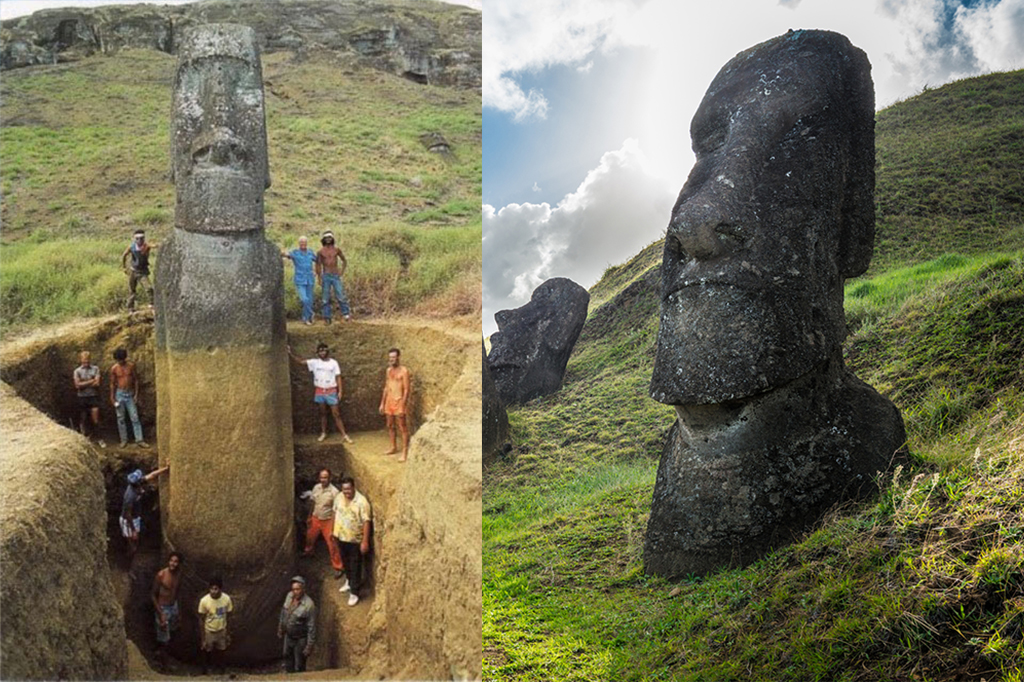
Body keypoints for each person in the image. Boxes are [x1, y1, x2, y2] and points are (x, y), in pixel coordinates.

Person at [288, 342, 353, 443]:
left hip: (331, 390)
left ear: (327, 351)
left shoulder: (333, 363)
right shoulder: (315, 362)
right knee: (322, 413)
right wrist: (290, 353)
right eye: (320, 351)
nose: (322, 353)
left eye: (324, 350)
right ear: (317, 353)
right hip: (319, 391)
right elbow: (301, 362)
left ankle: (344, 435)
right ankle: (323, 433)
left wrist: (340, 391)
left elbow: (338, 377)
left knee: (336, 414)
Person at [332, 477, 372, 606]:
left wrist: (365, 541)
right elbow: (334, 512)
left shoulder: (361, 502)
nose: (346, 492)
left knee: (355, 565)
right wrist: (333, 531)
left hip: (355, 540)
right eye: (344, 489)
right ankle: (349, 581)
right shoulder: (339, 497)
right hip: (341, 537)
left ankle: (354, 593)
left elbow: (366, 522)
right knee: (345, 562)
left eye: (348, 489)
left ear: (354, 487)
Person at [300, 468, 345, 578]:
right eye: (321, 477)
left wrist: (335, 525)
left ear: (330, 478)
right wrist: (309, 516)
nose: (323, 479)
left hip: (328, 520)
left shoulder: (334, 492)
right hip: (316, 518)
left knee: (332, 544)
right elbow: (313, 503)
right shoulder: (316, 487)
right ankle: (309, 552)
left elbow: (337, 510)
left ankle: (338, 566)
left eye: (325, 477)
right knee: (310, 537)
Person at [121, 465, 169, 561]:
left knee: (136, 540)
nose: (142, 479)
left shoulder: (138, 483)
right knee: (132, 543)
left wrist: (166, 469)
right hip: (128, 521)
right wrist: (133, 530)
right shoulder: (129, 497)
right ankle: (128, 562)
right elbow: (127, 514)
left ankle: (132, 554)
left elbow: (152, 475)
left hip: (136, 516)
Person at [109, 347, 149, 448]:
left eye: (122, 360)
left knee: (135, 417)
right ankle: (123, 440)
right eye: (119, 360)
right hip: (120, 394)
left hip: (129, 394)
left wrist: (136, 394)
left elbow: (136, 380)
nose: (120, 362)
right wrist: (112, 398)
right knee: (120, 418)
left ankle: (139, 440)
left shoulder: (131, 366)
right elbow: (113, 384)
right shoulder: (114, 368)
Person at [278, 575, 316, 673]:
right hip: (289, 635)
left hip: (301, 638)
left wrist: (309, 646)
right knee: (287, 657)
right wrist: (280, 627)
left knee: (300, 663)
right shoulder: (289, 596)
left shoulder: (309, 605)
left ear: (303, 588)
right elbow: (284, 612)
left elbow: (311, 626)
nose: (295, 592)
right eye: (293, 589)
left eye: (298, 589)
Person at [379, 347, 411, 462]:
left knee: (402, 427)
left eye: (393, 357)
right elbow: (386, 387)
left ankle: (405, 452)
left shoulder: (404, 371)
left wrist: (403, 404)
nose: (392, 359)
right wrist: (382, 403)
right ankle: (393, 447)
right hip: (389, 401)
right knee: (390, 425)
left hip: (399, 401)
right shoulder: (388, 370)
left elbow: (407, 389)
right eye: (390, 357)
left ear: (398, 357)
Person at [151, 552, 183, 665]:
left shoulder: (179, 574)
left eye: (176, 561)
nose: (173, 564)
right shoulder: (161, 575)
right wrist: (161, 613)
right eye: (171, 561)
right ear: (168, 561)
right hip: (163, 608)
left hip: (173, 607)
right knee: (164, 635)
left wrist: (178, 610)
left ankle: (162, 654)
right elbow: (153, 595)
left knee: (172, 632)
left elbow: (177, 592)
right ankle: (164, 663)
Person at [197, 576, 233, 674]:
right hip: (209, 630)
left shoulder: (226, 599)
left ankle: (221, 670)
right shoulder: (204, 601)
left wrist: (228, 634)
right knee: (207, 650)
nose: (213, 591)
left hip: (221, 630)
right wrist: (203, 638)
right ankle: (206, 670)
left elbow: (229, 616)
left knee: (221, 650)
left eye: (216, 589)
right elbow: (201, 619)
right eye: (211, 589)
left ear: (220, 589)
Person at [315, 231, 351, 324]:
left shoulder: (337, 250)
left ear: (332, 239)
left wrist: (341, 271)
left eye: (329, 238)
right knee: (325, 298)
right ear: (323, 239)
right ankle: (327, 317)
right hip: (326, 276)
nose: (328, 239)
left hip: (335, 275)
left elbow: (344, 260)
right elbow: (318, 265)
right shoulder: (320, 252)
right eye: (326, 238)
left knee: (340, 295)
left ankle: (346, 314)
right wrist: (319, 278)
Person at [73, 350, 105, 447]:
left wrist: (84, 383)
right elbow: (77, 386)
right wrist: (91, 381)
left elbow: (97, 383)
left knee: (95, 419)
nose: (86, 363)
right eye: (84, 361)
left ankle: (100, 439)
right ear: (80, 360)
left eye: (87, 361)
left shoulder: (95, 369)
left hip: (93, 397)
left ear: (90, 360)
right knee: (83, 418)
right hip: (82, 398)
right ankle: (84, 440)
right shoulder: (77, 371)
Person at [282, 236, 317, 325]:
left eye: (304, 242)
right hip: (300, 279)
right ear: (299, 243)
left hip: (310, 279)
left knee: (309, 300)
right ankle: (311, 313)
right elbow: (286, 254)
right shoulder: (295, 253)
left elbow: (318, 261)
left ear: (307, 243)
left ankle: (307, 319)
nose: (303, 244)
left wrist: (316, 271)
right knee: (304, 299)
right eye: (301, 242)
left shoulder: (310, 252)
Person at [121, 230, 155, 311]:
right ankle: (130, 308)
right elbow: (124, 255)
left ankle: (151, 304)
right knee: (131, 290)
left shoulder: (146, 246)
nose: (139, 240)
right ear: (134, 239)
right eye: (137, 238)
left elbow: (154, 245)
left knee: (149, 288)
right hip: (133, 271)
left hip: (142, 271)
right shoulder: (132, 247)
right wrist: (124, 267)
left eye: (141, 238)